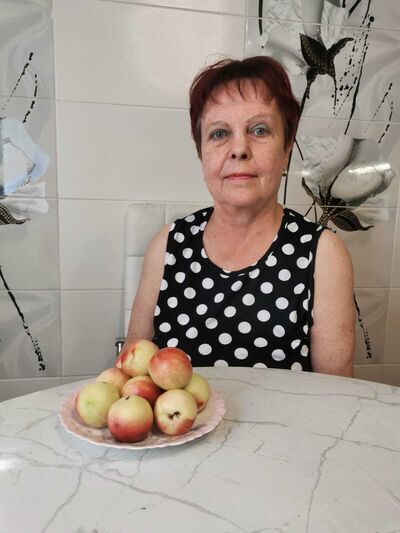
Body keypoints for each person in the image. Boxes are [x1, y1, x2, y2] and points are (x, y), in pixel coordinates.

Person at [124, 56, 355, 376]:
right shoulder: (168, 246)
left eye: (259, 130)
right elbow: (132, 376)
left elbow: (336, 394)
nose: (239, 149)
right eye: (219, 134)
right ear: (201, 152)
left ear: (286, 148)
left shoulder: (322, 254)